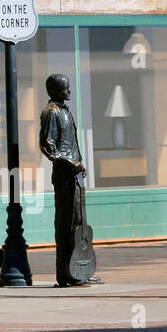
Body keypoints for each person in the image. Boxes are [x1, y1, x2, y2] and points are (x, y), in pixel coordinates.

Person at [39, 74, 98, 288]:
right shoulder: (51, 113)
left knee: (79, 222)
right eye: (66, 88)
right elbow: (48, 147)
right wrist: (70, 162)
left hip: (75, 174)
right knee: (65, 224)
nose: (70, 92)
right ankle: (64, 274)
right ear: (55, 91)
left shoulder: (64, 110)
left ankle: (80, 270)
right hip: (65, 175)